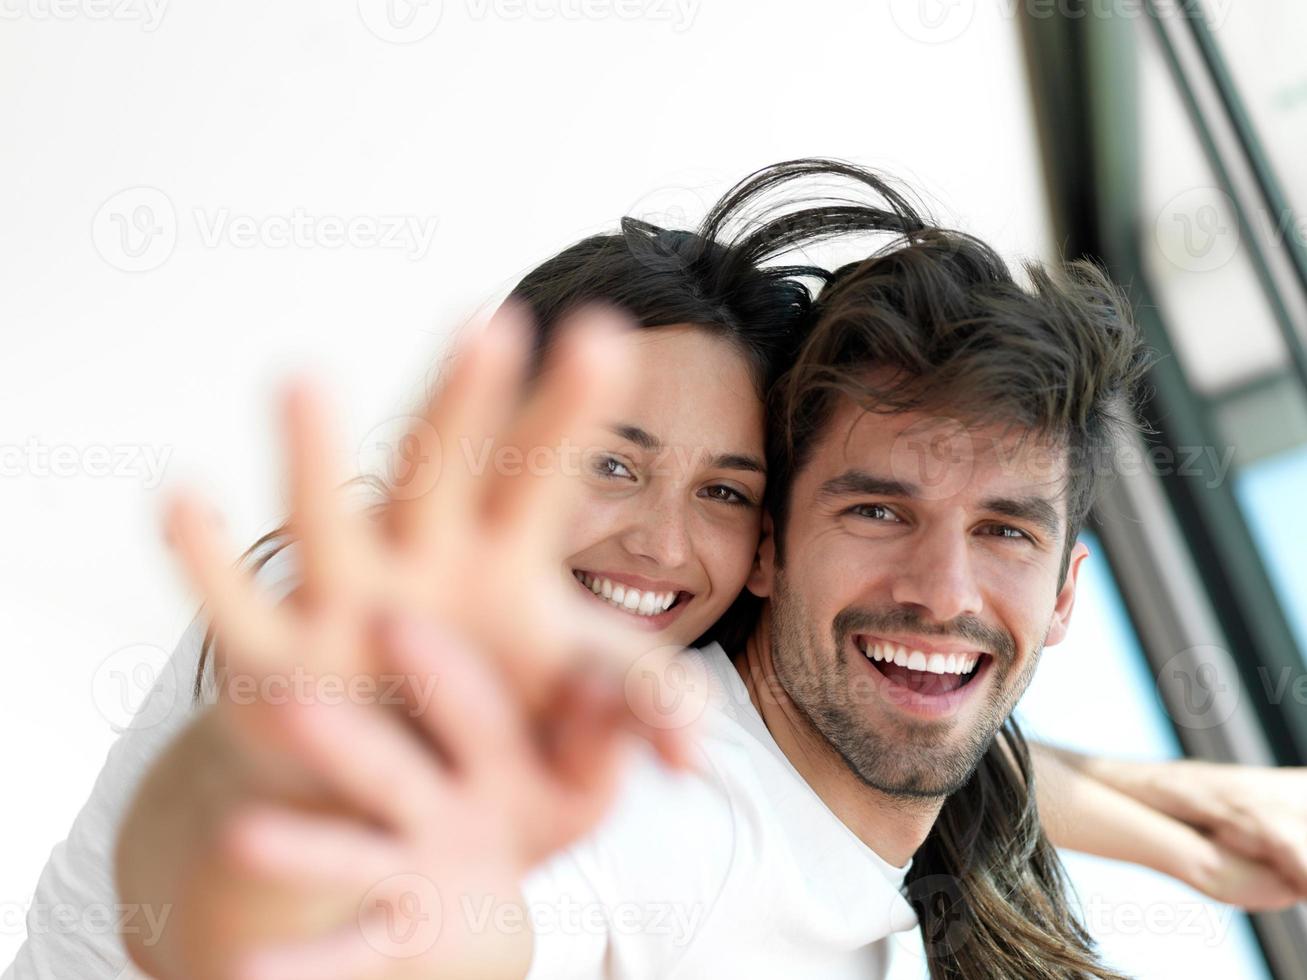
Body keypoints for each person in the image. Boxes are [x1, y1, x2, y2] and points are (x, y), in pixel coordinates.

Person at [9, 162, 1303, 980]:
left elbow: (925, 718)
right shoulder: (362, 627)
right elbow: (367, 901)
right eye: (612, 465)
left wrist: (1188, 814)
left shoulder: (722, 770)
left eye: (723, 492)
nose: (664, 546)